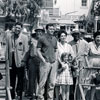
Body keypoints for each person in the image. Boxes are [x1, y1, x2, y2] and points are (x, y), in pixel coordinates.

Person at [5, 22, 29, 100]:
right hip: (11, 61)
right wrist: (6, 61)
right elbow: (7, 49)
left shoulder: (24, 37)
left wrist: (24, 61)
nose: (17, 29)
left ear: (21, 29)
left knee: (20, 79)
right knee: (12, 79)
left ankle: (19, 95)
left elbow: (26, 50)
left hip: (20, 61)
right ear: (14, 28)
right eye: (16, 27)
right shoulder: (9, 36)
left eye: (19, 28)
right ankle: (11, 96)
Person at [37, 23, 58, 100]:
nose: (52, 30)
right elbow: (38, 50)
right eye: (50, 29)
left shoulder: (55, 39)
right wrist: (43, 60)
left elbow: (56, 49)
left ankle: (50, 98)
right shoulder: (42, 38)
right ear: (46, 29)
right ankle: (40, 97)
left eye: (53, 29)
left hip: (53, 63)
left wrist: (55, 59)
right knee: (42, 82)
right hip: (45, 62)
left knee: (52, 83)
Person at [69, 29, 89, 100]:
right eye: (75, 34)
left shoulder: (85, 43)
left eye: (78, 34)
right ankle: (72, 96)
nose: (76, 36)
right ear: (72, 35)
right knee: (72, 82)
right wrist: (72, 64)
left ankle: (80, 97)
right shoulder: (69, 44)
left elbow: (86, 55)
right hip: (72, 65)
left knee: (81, 82)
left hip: (81, 65)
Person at [55, 30, 74, 100]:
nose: (63, 37)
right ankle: (57, 98)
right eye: (61, 36)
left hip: (66, 67)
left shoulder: (68, 46)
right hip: (58, 65)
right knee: (57, 84)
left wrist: (69, 62)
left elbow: (72, 55)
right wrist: (61, 63)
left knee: (66, 85)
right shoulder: (57, 45)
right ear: (59, 37)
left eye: (64, 36)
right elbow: (56, 55)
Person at [86, 31, 100, 100]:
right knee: (86, 84)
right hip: (90, 67)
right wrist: (87, 64)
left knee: (95, 84)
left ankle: (92, 98)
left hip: (98, 68)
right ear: (94, 38)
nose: (99, 39)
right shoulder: (90, 44)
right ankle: (83, 97)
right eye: (97, 37)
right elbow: (85, 55)